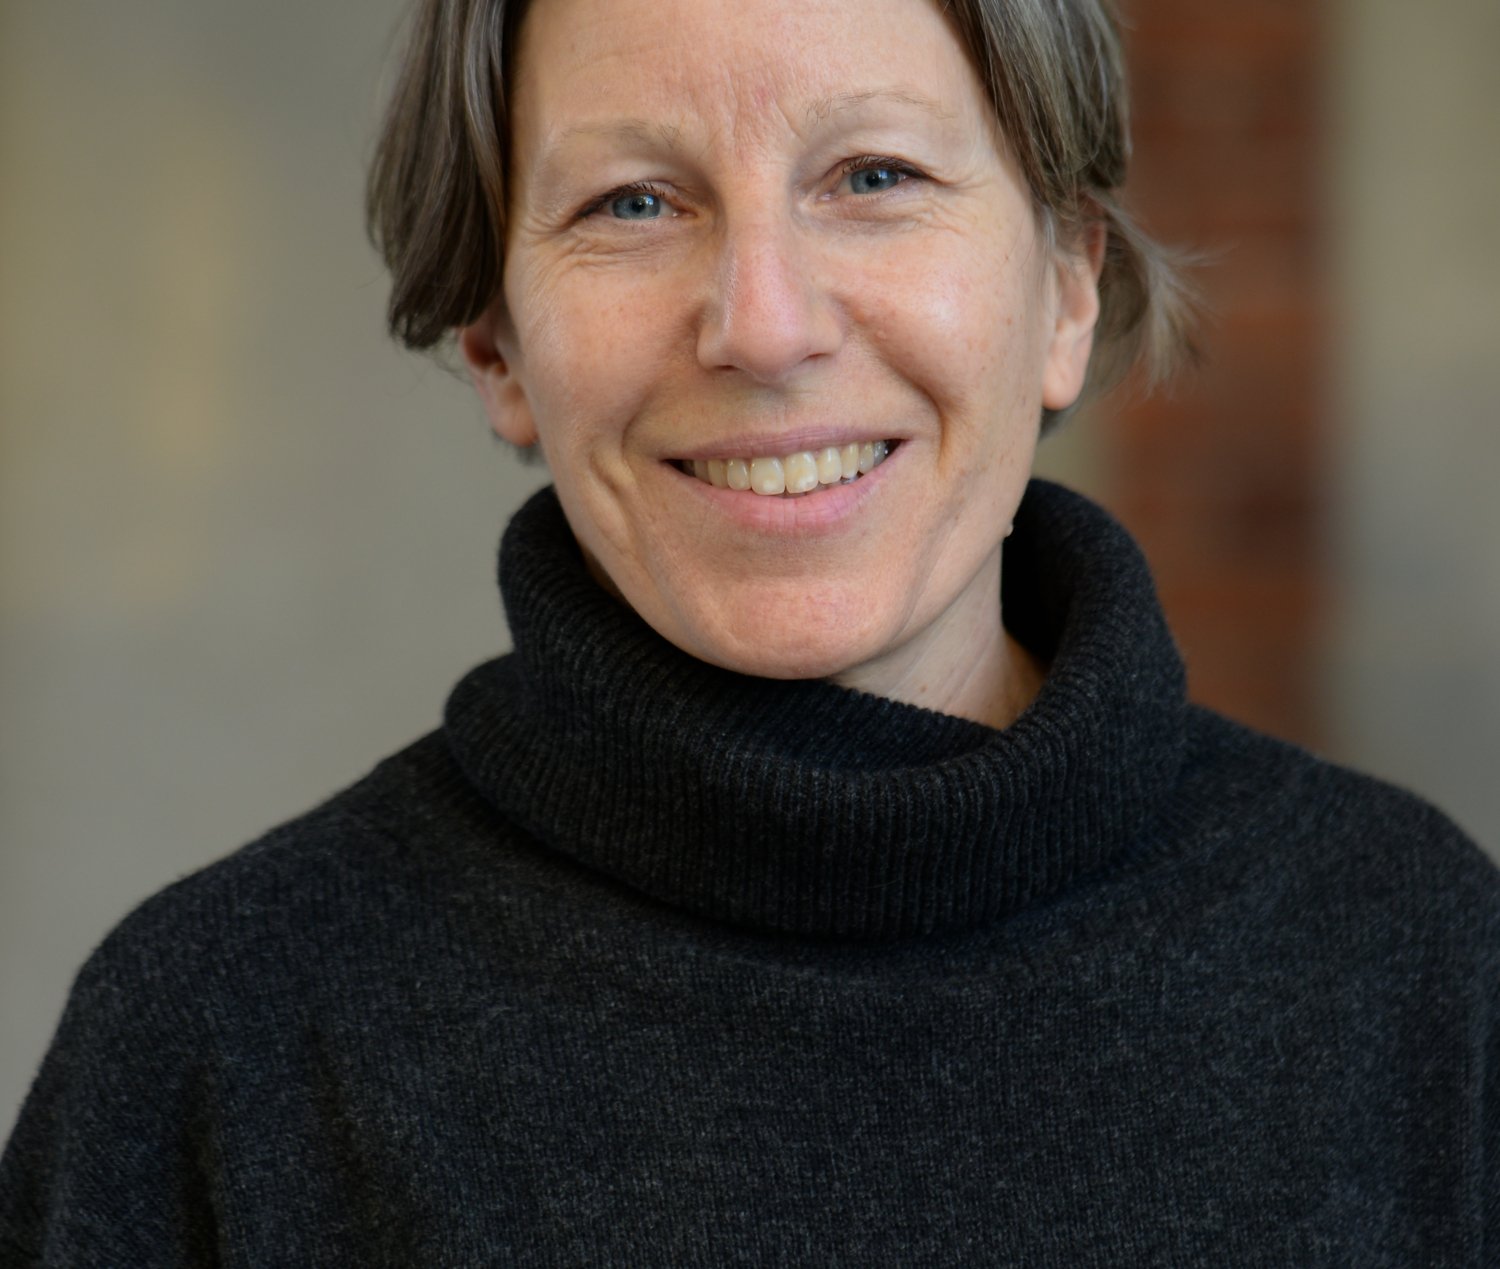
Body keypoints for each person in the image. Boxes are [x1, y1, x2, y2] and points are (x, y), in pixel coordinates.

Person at [1, 0, 1495, 1262]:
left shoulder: (1421, 966)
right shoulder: (217, 1050)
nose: (764, 323)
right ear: (497, 345)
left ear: (1065, 284)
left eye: (876, 175)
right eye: (632, 203)